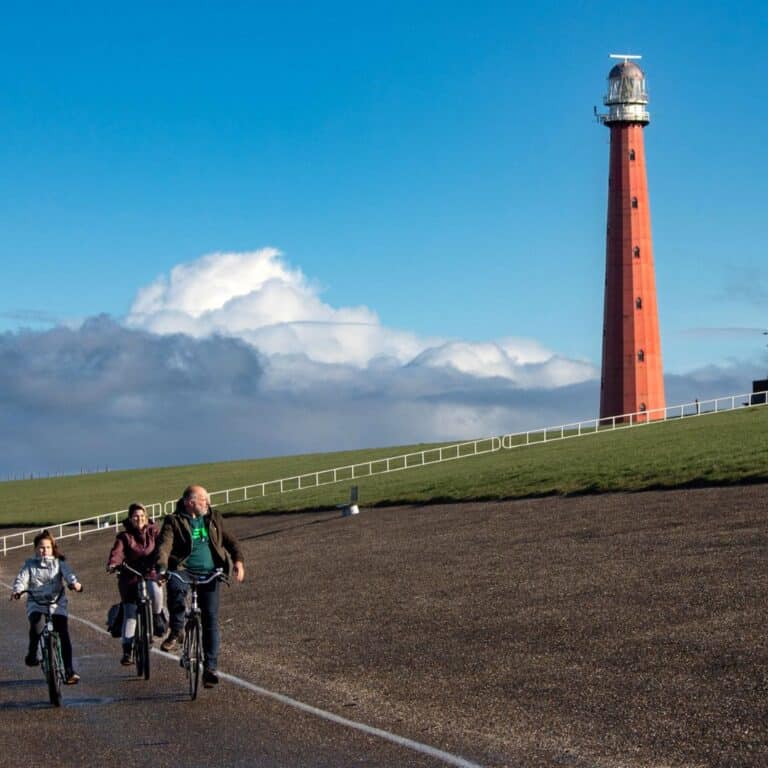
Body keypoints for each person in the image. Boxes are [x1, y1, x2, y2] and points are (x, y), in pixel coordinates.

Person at [156, 484, 245, 688]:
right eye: (204, 499)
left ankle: (210, 668)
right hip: (183, 568)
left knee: (210, 619)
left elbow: (231, 542)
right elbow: (164, 546)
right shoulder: (174, 521)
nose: (208, 503)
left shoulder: (214, 519)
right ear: (190, 503)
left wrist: (238, 561)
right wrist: (161, 568)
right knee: (176, 587)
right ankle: (177, 628)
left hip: (211, 572)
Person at [10, 529, 83, 684]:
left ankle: (69, 671)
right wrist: (17, 591)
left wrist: (74, 584)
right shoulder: (29, 565)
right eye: (41, 547)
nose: (45, 551)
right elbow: (21, 579)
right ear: (36, 549)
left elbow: (69, 575)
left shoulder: (59, 563)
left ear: (53, 548)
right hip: (36, 603)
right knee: (36, 626)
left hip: (57, 603)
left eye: (48, 547)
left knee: (63, 632)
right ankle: (32, 654)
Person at [106, 502, 166, 665]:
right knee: (130, 613)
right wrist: (113, 563)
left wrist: (164, 564)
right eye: (135, 516)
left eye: (141, 516)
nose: (139, 519)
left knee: (155, 589)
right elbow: (117, 553)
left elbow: (163, 548)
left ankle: (157, 615)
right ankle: (127, 651)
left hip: (150, 573)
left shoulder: (154, 532)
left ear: (146, 517)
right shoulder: (124, 537)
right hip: (130, 577)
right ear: (130, 519)